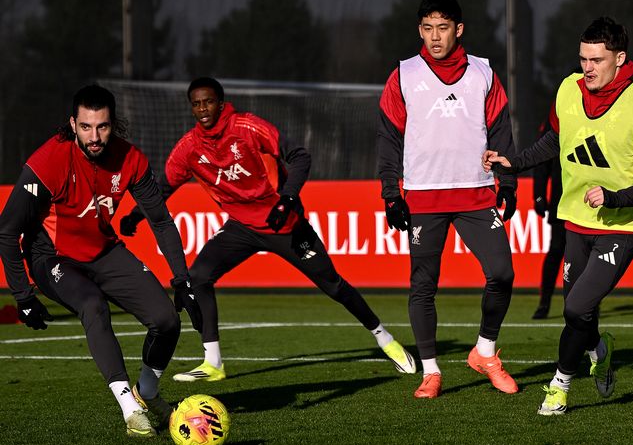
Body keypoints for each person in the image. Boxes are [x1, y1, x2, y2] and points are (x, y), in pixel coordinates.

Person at [121, 76, 415, 381]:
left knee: (333, 285)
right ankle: (213, 363)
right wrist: (136, 215)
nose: (202, 108)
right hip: (241, 227)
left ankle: (385, 339)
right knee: (198, 277)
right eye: (196, 104)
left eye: (208, 102)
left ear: (221, 104)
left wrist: (287, 199)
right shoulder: (189, 147)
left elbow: (300, 156)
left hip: (284, 224)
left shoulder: (247, 127)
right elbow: (163, 187)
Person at [484, 16, 633, 416]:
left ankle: (560, 386)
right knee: (580, 309)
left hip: (625, 223)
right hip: (576, 217)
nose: (588, 67)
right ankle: (600, 351)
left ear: (620, 59)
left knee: (574, 309)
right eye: (583, 59)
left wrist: (615, 198)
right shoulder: (568, 90)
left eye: (597, 60)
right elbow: (556, 139)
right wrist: (515, 163)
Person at [0, 84, 201, 438]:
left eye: (103, 127)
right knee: (92, 305)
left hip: (104, 251)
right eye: (86, 127)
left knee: (167, 320)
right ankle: (130, 409)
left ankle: (147, 391)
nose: (94, 137)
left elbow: (160, 220)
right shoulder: (48, 160)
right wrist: (23, 295)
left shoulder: (131, 159)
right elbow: (6, 230)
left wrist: (182, 279)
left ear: (113, 124)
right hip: (52, 258)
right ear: (73, 124)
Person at [377, 0, 519, 399]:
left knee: (502, 273)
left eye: (442, 28)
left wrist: (508, 182)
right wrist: (390, 193)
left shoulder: (483, 73)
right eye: (427, 28)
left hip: (476, 192)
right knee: (423, 285)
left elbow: (501, 130)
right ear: (419, 30)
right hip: (423, 196)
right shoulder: (403, 74)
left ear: (458, 29)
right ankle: (431, 372)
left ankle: (485, 352)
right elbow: (388, 137)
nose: (435, 37)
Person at [530, 116, 566, 320]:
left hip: (588, 200)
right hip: (561, 200)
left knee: (585, 255)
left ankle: (588, 304)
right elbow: (542, 160)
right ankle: (544, 303)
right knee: (556, 250)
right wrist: (539, 195)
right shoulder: (557, 118)